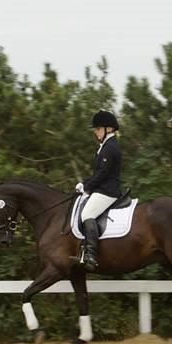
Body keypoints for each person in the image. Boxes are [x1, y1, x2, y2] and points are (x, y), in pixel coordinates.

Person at [72, 109, 123, 271]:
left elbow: (103, 173)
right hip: (102, 188)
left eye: (98, 129)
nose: (96, 132)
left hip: (107, 191)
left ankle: (91, 255)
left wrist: (86, 186)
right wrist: (85, 184)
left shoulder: (110, 147)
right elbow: (99, 173)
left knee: (87, 214)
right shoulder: (106, 146)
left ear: (109, 129)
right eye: (96, 129)